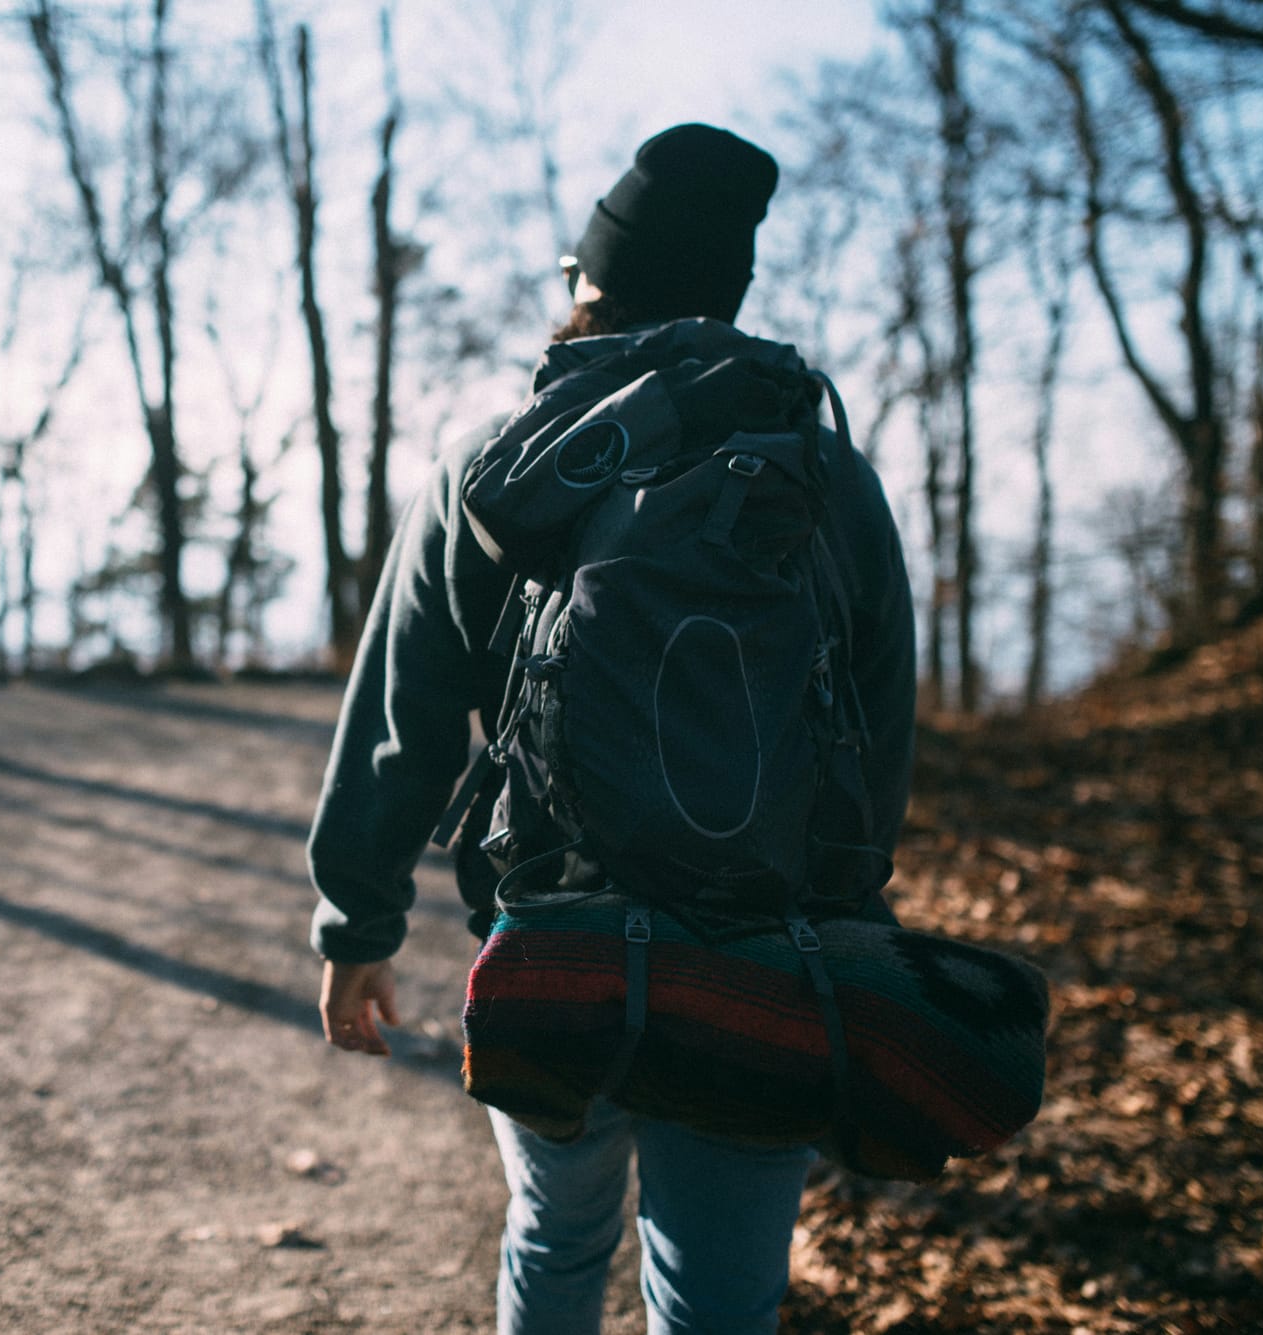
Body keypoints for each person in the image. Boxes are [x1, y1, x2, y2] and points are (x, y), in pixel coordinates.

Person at [305, 123, 919, 1335]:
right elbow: (879, 719)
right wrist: (844, 920)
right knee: (717, 1300)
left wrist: (355, 923)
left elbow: (400, 714)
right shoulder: (822, 470)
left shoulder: (499, 463)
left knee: (556, 1234)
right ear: (728, 293)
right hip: (766, 956)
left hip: (553, 948)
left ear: (590, 284)